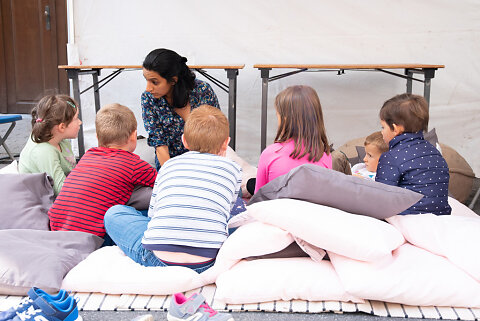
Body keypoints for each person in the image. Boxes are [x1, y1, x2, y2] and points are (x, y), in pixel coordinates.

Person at [104, 105, 242, 273]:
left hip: (158, 260)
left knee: (114, 213)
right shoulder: (233, 168)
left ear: (184, 140)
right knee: (240, 218)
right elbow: (230, 214)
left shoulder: (168, 166)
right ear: (226, 143)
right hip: (209, 262)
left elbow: (152, 215)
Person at [48, 103, 157, 239]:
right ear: (134, 136)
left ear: (97, 137)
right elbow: (162, 182)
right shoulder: (134, 164)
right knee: (152, 209)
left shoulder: (88, 155)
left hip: (56, 228)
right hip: (91, 236)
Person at [141, 48, 220, 170]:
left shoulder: (202, 91)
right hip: (170, 163)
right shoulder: (148, 98)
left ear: (173, 80)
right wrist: (172, 175)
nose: (148, 88)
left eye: (154, 82)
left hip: (205, 159)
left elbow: (215, 133)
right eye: (146, 80)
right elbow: (159, 143)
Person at [376, 93, 451, 215]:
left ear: (395, 129)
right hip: (441, 216)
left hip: (409, 218)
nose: (381, 132)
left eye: (383, 127)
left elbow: (381, 198)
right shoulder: (435, 153)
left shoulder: (391, 157)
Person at [254, 85, 332, 193]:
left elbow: (258, 198)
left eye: (278, 115)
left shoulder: (271, 153)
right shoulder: (325, 156)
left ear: (285, 119)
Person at [18, 95, 81, 196]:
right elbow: (62, 191)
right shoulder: (44, 151)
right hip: (41, 202)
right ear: (62, 127)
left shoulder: (59, 139)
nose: (80, 122)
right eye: (76, 118)